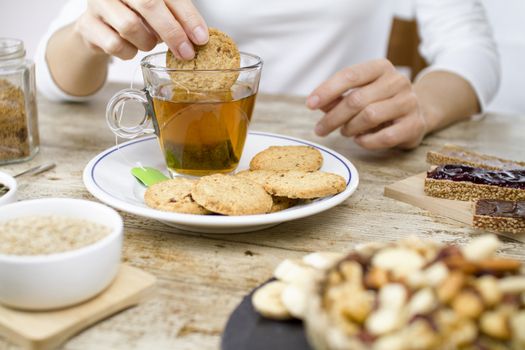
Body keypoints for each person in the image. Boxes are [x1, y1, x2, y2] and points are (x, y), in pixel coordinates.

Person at [35, 0, 500, 150]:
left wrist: (424, 104)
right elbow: (53, 74)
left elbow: (471, 47)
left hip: (339, 147)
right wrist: (87, 35)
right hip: (194, 141)